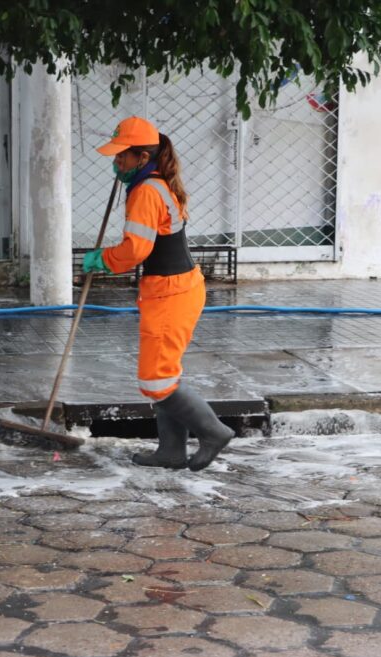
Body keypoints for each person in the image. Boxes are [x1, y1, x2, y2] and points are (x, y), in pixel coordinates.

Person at [86, 116, 234, 471]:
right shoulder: (156, 183)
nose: (116, 162)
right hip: (176, 289)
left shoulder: (146, 192)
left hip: (171, 294)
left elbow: (136, 249)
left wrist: (103, 260)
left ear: (141, 156)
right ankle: (170, 451)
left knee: (154, 380)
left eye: (122, 156)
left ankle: (213, 432)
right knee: (164, 376)